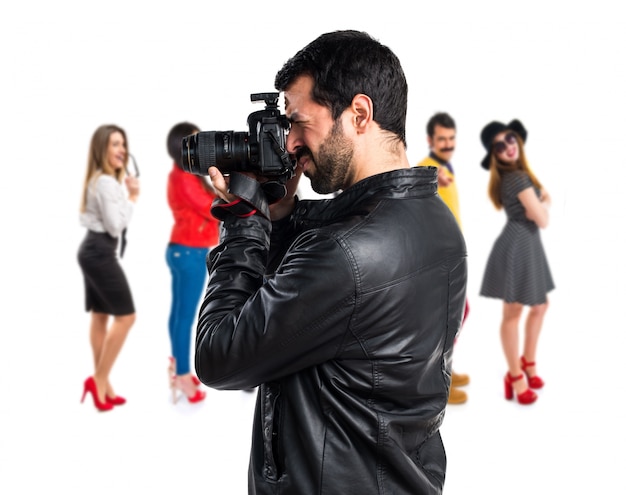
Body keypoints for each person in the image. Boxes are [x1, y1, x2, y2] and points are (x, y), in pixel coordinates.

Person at [195, 30, 467, 494]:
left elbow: (219, 356)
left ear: (358, 114)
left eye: (300, 122)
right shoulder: (434, 219)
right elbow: (318, 315)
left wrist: (244, 223)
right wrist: (278, 218)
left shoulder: (345, 253)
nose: (291, 143)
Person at [479, 119, 554, 405]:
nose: (508, 146)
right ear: (495, 155)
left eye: (510, 139)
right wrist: (544, 200)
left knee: (540, 305)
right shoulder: (518, 179)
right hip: (518, 245)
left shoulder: (520, 176)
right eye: (499, 145)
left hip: (527, 244)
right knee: (513, 314)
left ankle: (528, 363)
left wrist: (540, 198)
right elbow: (543, 220)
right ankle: (515, 375)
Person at [77, 124, 140, 412]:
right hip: (100, 251)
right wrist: (133, 198)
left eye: (123, 144)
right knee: (126, 317)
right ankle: (98, 379)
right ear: (102, 148)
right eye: (115, 144)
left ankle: (104, 385)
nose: (122, 150)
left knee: (101, 315)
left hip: (92, 249)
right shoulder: (105, 183)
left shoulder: (101, 180)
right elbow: (115, 226)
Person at [417, 112, 470, 405]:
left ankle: (446, 368)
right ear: (430, 140)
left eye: (451, 139)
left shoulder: (445, 166)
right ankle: (438, 381)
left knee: (459, 313)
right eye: (442, 139)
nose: (448, 144)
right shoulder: (428, 168)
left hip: (451, 257)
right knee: (445, 320)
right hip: (436, 260)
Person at [165, 122, 220, 404]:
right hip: (190, 252)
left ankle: (177, 367)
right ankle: (184, 377)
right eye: (196, 142)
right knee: (186, 317)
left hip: (182, 250)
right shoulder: (185, 178)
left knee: (178, 314)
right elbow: (212, 209)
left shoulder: (183, 174)